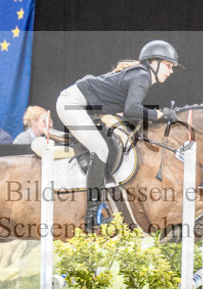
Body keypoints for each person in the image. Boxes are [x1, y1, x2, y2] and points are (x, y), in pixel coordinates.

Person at [55, 39, 180, 232]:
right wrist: (160, 114)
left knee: (114, 144)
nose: (171, 71)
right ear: (153, 63)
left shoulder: (141, 75)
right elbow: (132, 110)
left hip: (89, 109)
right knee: (101, 150)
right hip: (73, 104)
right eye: (168, 65)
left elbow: (127, 112)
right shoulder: (142, 77)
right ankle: (92, 212)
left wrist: (156, 115)